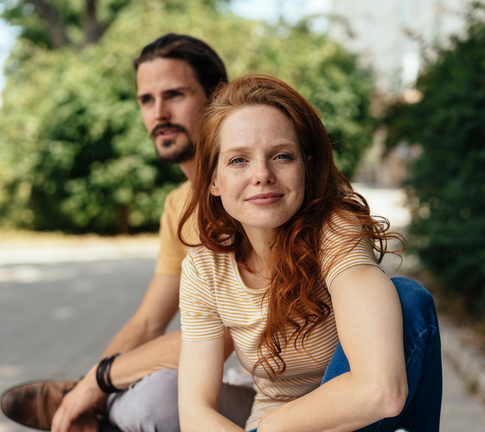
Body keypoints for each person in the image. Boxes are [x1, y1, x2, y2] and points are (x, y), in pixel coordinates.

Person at [0, 34, 255, 432]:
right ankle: (89, 408)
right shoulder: (178, 206)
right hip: (246, 385)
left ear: (215, 98)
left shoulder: (254, 192)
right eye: (146, 100)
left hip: (299, 396)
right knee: (151, 388)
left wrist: (103, 379)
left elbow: (219, 338)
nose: (159, 113)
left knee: (158, 398)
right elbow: (148, 324)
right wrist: (92, 382)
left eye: (174, 94)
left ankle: (95, 415)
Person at [176, 74, 443, 431]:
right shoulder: (204, 271)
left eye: (282, 156)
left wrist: (275, 427)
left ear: (308, 167)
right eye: (238, 160)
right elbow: (194, 413)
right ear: (212, 181)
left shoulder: (336, 231)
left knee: (408, 300)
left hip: (315, 425)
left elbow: (381, 391)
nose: (262, 175)